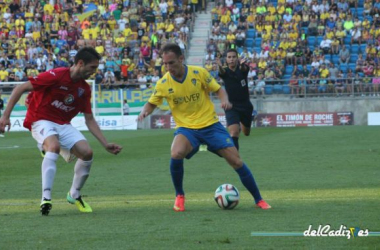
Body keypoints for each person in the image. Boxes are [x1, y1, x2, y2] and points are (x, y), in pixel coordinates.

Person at [138, 43, 271, 212]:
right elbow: (151, 104)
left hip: (210, 126)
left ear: (181, 59)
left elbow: (219, 89)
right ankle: (179, 196)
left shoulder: (198, 73)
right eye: (165, 64)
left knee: (236, 161)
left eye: (171, 63)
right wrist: (144, 112)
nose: (168, 67)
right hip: (187, 129)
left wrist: (224, 99)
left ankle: (258, 199)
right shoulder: (163, 83)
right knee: (176, 152)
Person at [0, 47, 123, 216]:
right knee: (54, 146)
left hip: (63, 124)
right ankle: (46, 198)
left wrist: (105, 143)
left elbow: (89, 119)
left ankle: (74, 194)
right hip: (40, 119)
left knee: (87, 153)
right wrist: (5, 116)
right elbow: (20, 88)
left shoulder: (84, 89)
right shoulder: (56, 75)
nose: (94, 71)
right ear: (80, 63)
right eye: (92, 67)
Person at [216, 49, 253, 151]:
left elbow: (244, 68)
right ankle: (236, 158)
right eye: (229, 57)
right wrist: (219, 65)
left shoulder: (242, 69)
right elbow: (222, 72)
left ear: (237, 58)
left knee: (246, 133)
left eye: (233, 57)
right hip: (231, 106)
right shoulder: (225, 71)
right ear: (226, 60)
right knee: (234, 133)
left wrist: (242, 65)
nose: (231, 59)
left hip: (245, 105)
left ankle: (243, 122)